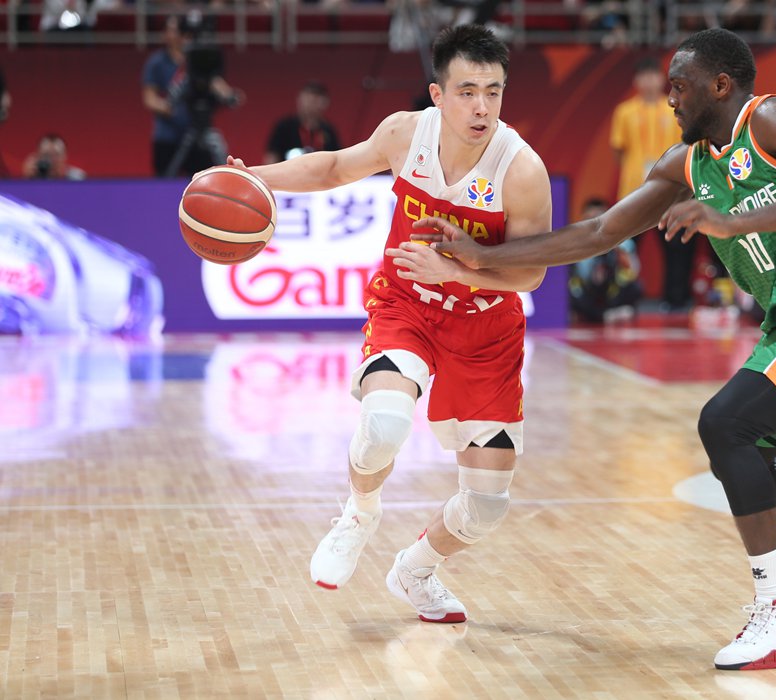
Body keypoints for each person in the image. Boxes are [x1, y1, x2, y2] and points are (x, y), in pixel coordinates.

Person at [395, 28, 776, 671]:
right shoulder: (685, 165)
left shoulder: (772, 118)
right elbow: (598, 232)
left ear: (721, 86)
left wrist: (732, 221)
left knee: (726, 425)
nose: (671, 99)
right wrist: (482, 256)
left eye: (681, 87)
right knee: (749, 457)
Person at [213, 25, 551, 623]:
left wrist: (457, 271)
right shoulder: (405, 133)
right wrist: (256, 177)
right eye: (467, 91)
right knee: (385, 423)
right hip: (406, 305)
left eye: (493, 92)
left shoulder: (521, 169)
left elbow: (531, 275)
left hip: (486, 333)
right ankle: (358, 514)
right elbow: (332, 168)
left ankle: (415, 570)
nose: (481, 107)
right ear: (438, 94)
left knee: (485, 505)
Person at [610, 57, 688, 311]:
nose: (648, 81)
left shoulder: (674, 109)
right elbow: (618, 150)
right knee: (627, 248)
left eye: (653, 75)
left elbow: (684, 147)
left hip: (669, 190)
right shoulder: (624, 112)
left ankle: (675, 300)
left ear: (661, 78)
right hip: (633, 189)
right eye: (643, 76)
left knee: (674, 245)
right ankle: (623, 300)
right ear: (636, 80)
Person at [142, 12, 244, 178]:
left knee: (203, 179)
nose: (176, 35)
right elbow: (149, 98)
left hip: (199, 133)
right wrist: (168, 107)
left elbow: (214, 81)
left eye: (179, 30)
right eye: (171, 30)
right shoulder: (157, 62)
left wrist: (229, 95)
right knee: (165, 180)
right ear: (164, 34)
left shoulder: (198, 58)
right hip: (168, 136)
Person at [567, 197, 642, 323]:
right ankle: (604, 315)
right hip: (587, 292)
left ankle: (597, 314)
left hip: (611, 291)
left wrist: (617, 250)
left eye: (598, 218)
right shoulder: (574, 243)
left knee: (635, 287)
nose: (593, 225)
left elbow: (634, 271)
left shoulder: (622, 241)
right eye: (589, 219)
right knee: (570, 292)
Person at [264, 81, 342, 164]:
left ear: (325, 103)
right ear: (299, 99)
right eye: (308, 99)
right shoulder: (285, 126)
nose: (310, 104)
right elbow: (272, 157)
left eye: (315, 100)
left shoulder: (328, 131)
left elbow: (337, 161)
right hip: (288, 171)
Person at [22, 134, 86, 180]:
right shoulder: (33, 178)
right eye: (46, 155)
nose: (51, 160)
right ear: (38, 156)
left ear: (65, 156)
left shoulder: (77, 179)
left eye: (56, 155)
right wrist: (27, 179)